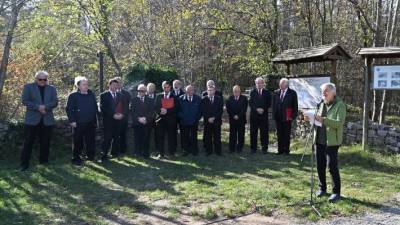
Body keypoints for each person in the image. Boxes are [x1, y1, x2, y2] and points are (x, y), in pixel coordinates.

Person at [304, 83, 346, 203]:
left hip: (332, 142)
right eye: (322, 91)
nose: (324, 93)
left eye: (326, 91)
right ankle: (322, 189)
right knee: (320, 165)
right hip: (319, 140)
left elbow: (339, 123)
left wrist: (322, 119)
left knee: (332, 167)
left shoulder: (340, 105)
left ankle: (336, 192)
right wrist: (310, 118)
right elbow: (316, 119)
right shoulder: (321, 104)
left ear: (333, 92)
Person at [20, 71, 58, 171]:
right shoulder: (28, 87)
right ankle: (24, 164)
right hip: (32, 120)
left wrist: (45, 107)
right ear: (36, 79)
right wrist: (38, 107)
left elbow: (55, 102)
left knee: (45, 142)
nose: (42, 81)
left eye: (44, 79)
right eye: (40, 79)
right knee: (28, 142)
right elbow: (25, 100)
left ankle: (43, 162)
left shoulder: (52, 88)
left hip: (47, 119)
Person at [66, 76, 98, 166]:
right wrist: (72, 121)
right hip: (78, 123)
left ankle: (91, 156)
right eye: (84, 84)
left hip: (90, 122)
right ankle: (76, 158)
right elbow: (69, 109)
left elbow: (95, 107)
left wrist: (95, 118)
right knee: (78, 141)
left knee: (91, 141)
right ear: (78, 86)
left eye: (87, 84)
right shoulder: (73, 96)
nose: (86, 86)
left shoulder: (91, 94)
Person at [100, 78, 125, 162]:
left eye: (116, 85)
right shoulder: (103, 95)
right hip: (108, 121)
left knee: (116, 138)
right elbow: (103, 108)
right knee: (107, 138)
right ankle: (104, 155)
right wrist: (113, 115)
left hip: (118, 120)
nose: (115, 86)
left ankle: (114, 154)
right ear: (109, 85)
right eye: (113, 85)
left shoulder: (120, 95)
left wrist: (122, 114)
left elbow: (124, 107)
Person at [273, 78, 298, 155]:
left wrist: (293, 116)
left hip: (287, 117)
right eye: (280, 84)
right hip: (278, 117)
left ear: (286, 84)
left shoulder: (292, 93)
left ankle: (286, 150)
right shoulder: (276, 92)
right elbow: (273, 104)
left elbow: (295, 106)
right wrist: (274, 114)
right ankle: (280, 150)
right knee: (279, 134)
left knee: (286, 134)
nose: (280, 85)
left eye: (281, 84)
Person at [154, 81, 178, 158]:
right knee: (160, 136)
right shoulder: (158, 96)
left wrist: (167, 111)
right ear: (162, 87)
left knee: (171, 136)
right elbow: (155, 107)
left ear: (170, 87)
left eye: (167, 87)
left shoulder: (174, 96)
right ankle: (161, 153)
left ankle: (172, 152)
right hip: (161, 120)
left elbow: (176, 108)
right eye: (164, 87)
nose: (166, 89)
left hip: (171, 120)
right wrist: (160, 110)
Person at [249, 77, 271, 154]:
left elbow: (269, 103)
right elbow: (250, 103)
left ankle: (264, 148)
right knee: (253, 132)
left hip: (263, 115)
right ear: (255, 84)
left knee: (264, 132)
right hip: (254, 116)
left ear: (263, 84)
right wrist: (257, 109)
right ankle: (253, 148)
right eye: (257, 83)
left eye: (260, 83)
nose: (258, 84)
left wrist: (263, 109)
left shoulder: (267, 92)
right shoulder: (252, 92)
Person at [131, 84, 154, 158]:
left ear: (146, 91)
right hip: (137, 123)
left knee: (146, 138)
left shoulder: (150, 100)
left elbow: (151, 111)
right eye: (140, 91)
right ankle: (137, 153)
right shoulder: (133, 100)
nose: (141, 92)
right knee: (137, 138)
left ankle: (146, 154)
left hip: (147, 123)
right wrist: (138, 118)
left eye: (143, 91)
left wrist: (145, 118)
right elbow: (132, 111)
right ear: (138, 91)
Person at [178, 85, 201, 156]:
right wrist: (183, 117)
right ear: (185, 91)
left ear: (193, 91)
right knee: (185, 136)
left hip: (194, 121)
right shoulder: (180, 98)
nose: (190, 92)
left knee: (194, 136)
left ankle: (194, 150)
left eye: (191, 90)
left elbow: (200, 111)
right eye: (188, 90)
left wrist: (196, 118)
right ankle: (185, 150)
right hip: (184, 122)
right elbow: (178, 110)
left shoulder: (198, 98)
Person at [201, 86, 223, 156]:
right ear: (207, 91)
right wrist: (208, 118)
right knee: (208, 137)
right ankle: (208, 151)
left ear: (214, 91)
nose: (210, 92)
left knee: (217, 137)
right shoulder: (204, 99)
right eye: (209, 90)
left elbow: (220, 110)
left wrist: (214, 118)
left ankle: (218, 151)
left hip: (216, 121)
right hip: (207, 121)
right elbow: (203, 110)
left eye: (211, 90)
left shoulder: (219, 99)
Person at [226, 85, 248, 153]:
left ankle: (239, 148)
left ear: (240, 91)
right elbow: (228, 109)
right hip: (232, 120)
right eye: (235, 91)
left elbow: (244, 109)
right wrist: (233, 115)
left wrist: (238, 116)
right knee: (232, 134)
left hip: (241, 119)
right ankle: (232, 148)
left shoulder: (244, 98)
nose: (236, 92)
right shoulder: (229, 98)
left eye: (237, 91)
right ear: (233, 91)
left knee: (241, 135)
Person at [115, 77, 131, 154]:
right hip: (114, 117)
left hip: (123, 117)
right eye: (116, 82)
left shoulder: (127, 93)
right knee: (114, 135)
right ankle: (114, 150)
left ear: (122, 83)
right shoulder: (111, 92)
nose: (118, 84)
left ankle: (123, 150)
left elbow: (128, 106)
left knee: (123, 134)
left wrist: (122, 114)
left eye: (119, 82)